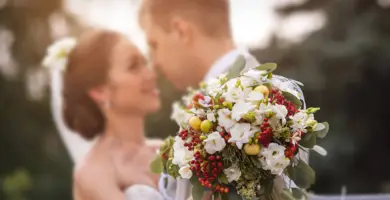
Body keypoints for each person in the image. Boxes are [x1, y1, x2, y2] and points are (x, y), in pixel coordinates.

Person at [139, 0, 307, 199]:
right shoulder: (273, 91)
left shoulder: (237, 103)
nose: (155, 62)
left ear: (180, 31)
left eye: (154, 44)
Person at [44, 29, 164, 200]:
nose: (151, 74)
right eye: (134, 66)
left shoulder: (166, 149)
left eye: (145, 62)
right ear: (99, 91)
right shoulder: (93, 173)